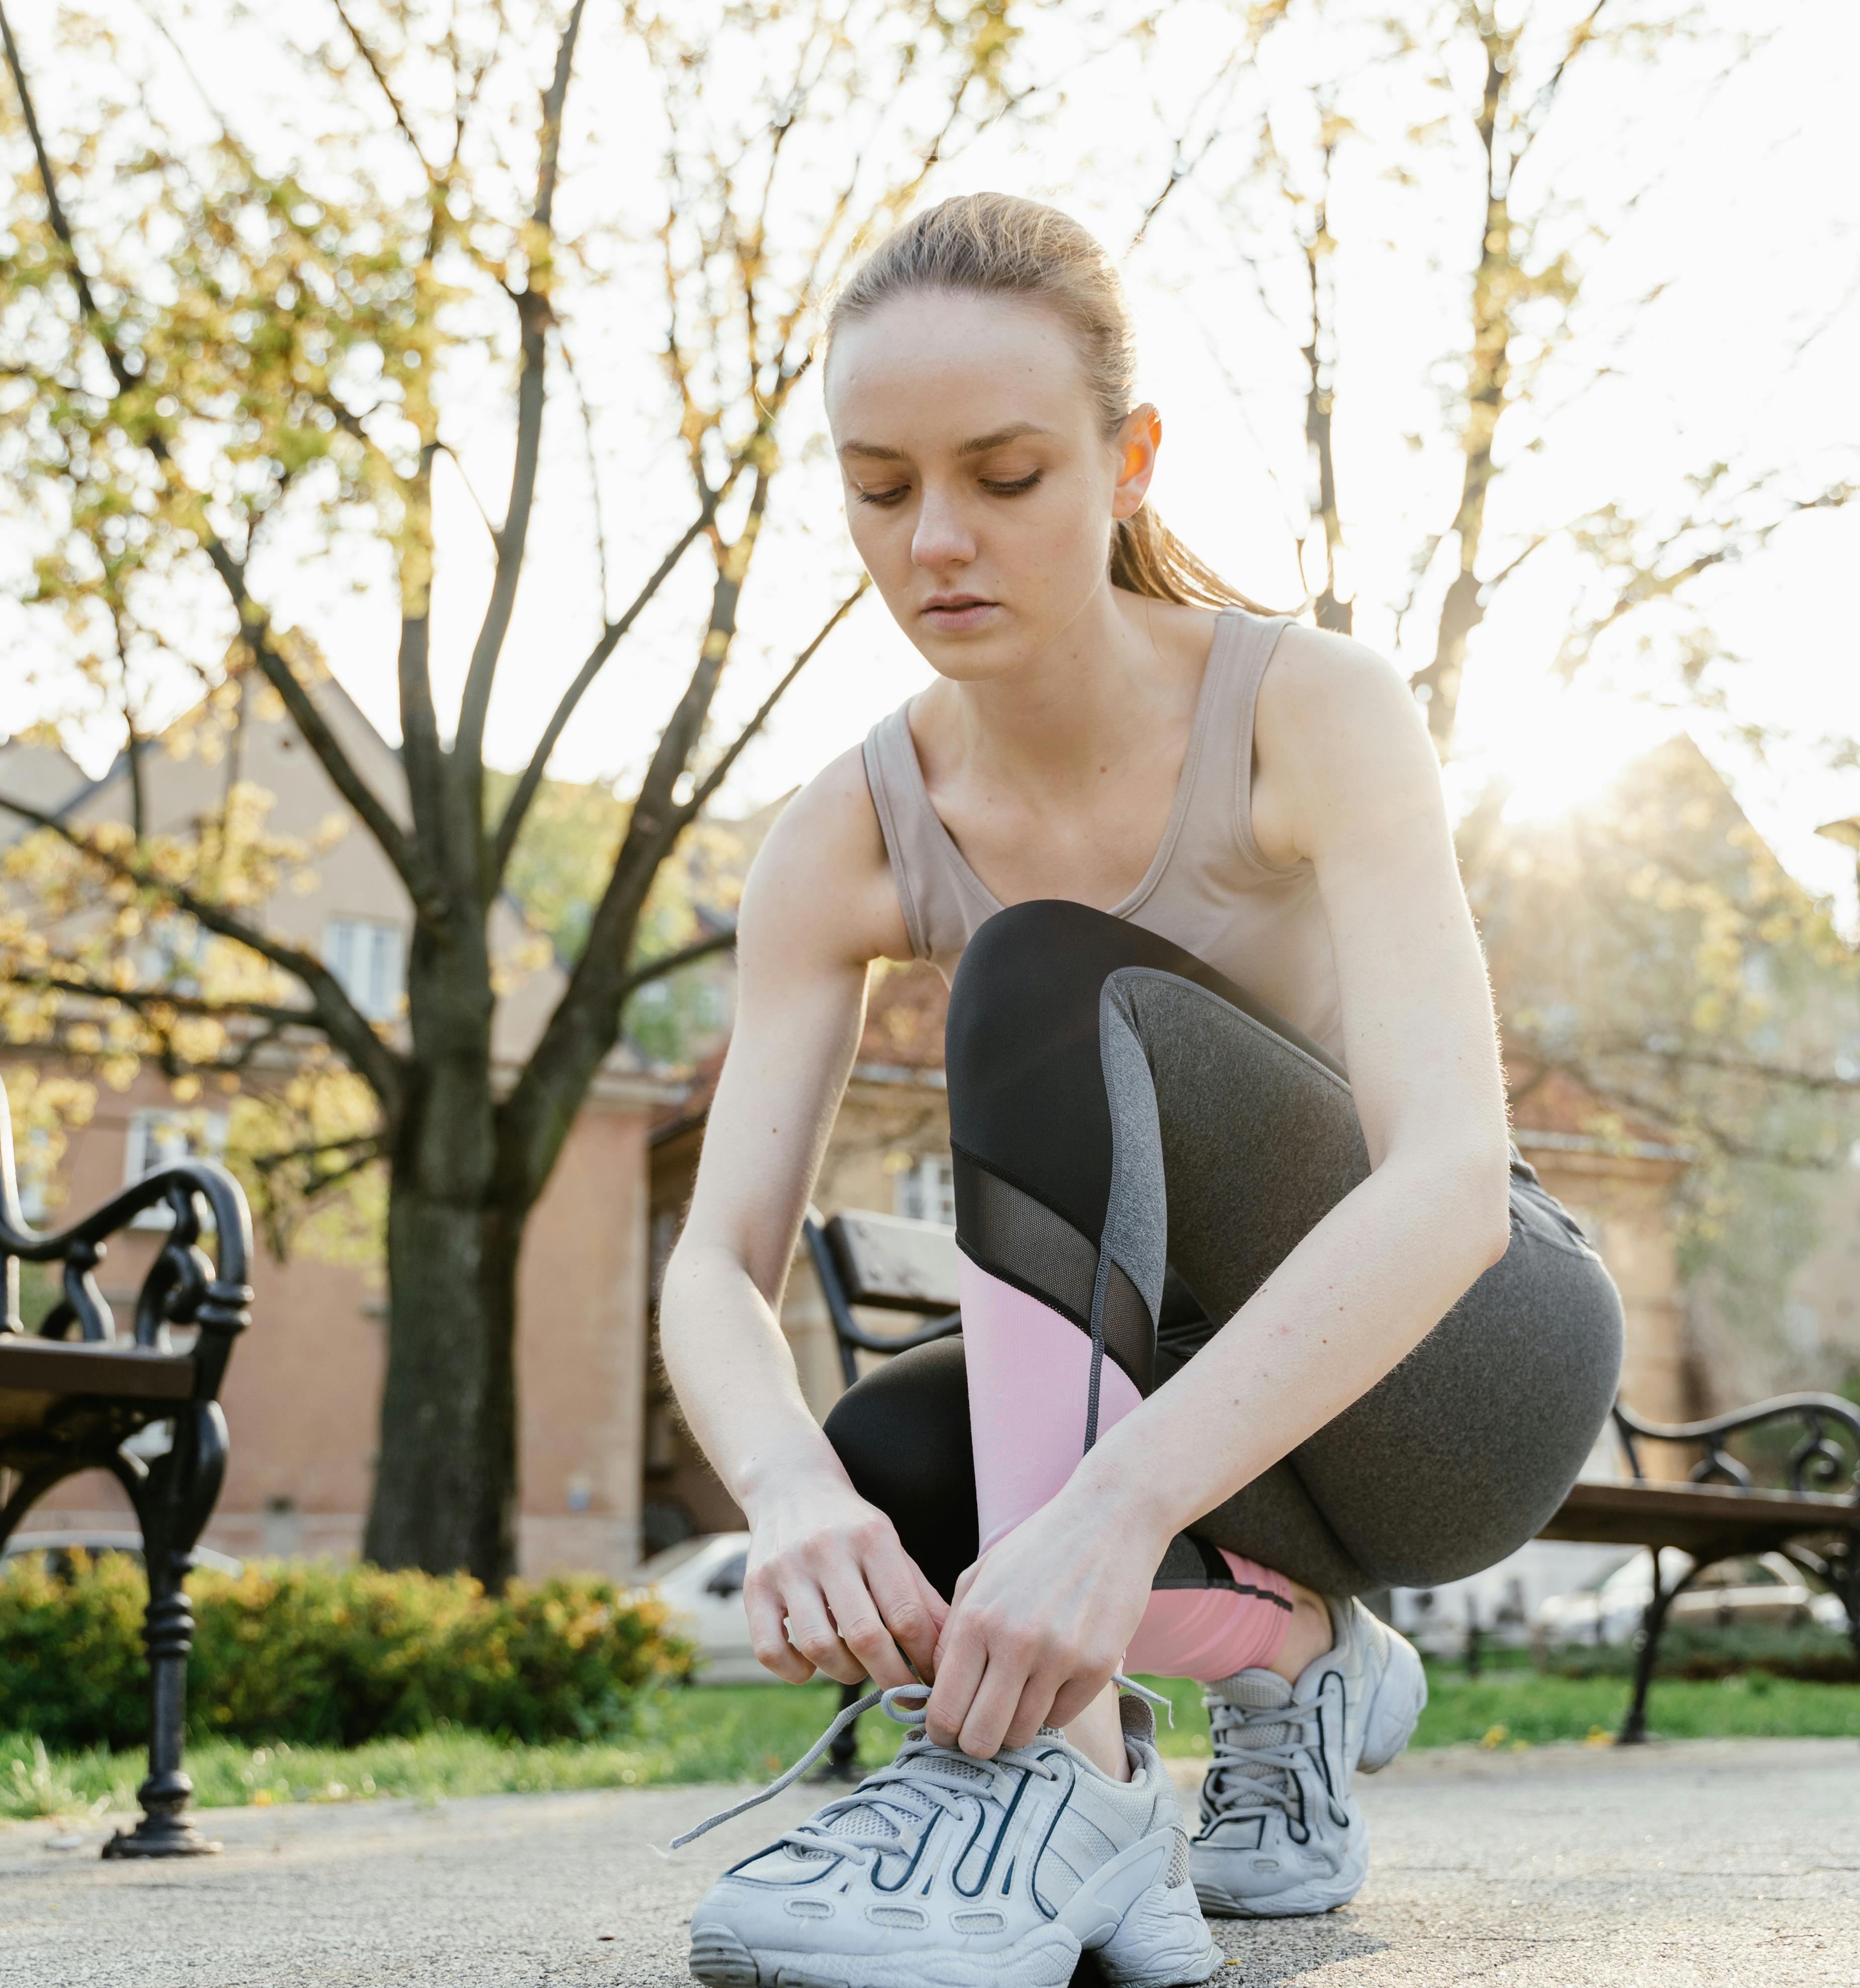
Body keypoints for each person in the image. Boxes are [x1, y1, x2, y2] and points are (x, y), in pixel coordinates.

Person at [657, 192, 1626, 1988]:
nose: (935, 538)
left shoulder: (1307, 708)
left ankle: (1058, 1781)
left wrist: (1105, 1512)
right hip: (1227, 1445)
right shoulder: (839, 836)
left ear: (1127, 461)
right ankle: (1291, 1660)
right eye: (879, 488)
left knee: (1040, 972)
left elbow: (1446, 1177)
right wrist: (789, 1492)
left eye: (1004, 474)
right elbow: (713, 1265)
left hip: (1472, 1364)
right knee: (885, 1469)